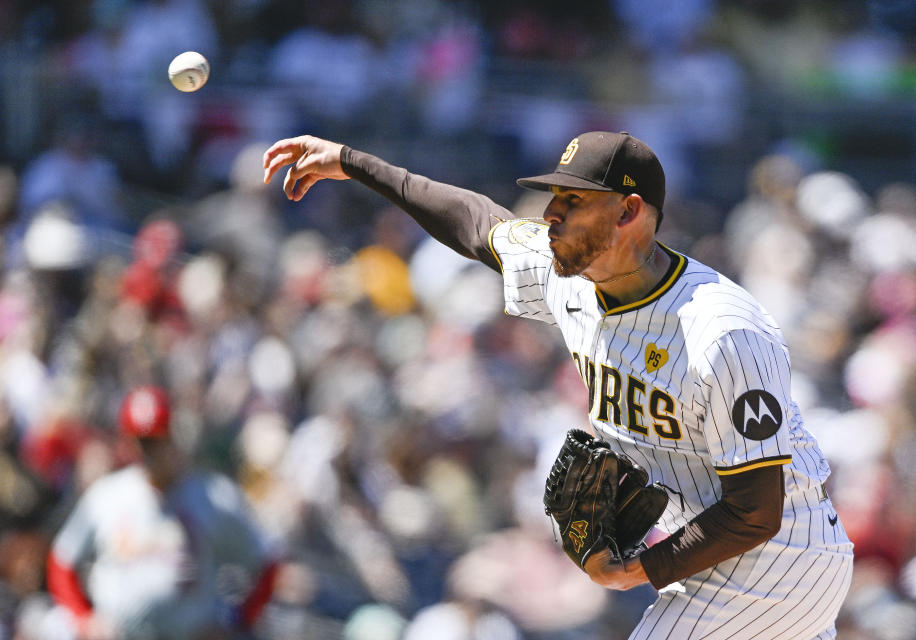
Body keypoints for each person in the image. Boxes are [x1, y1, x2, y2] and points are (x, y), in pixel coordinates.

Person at [262, 131, 854, 639]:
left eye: (573, 201)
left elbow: (757, 511)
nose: (551, 214)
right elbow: (476, 224)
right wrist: (351, 161)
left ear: (628, 213)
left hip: (778, 559)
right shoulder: (569, 278)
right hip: (720, 552)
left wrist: (633, 572)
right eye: (553, 198)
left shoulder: (721, 331)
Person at [46, 386, 278, 640]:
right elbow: (61, 562)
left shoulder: (213, 496)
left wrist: (237, 621)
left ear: (172, 435)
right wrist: (83, 618)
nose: (148, 451)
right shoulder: (107, 496)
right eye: (141, 441)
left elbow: (267, 560)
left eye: (156, 440)